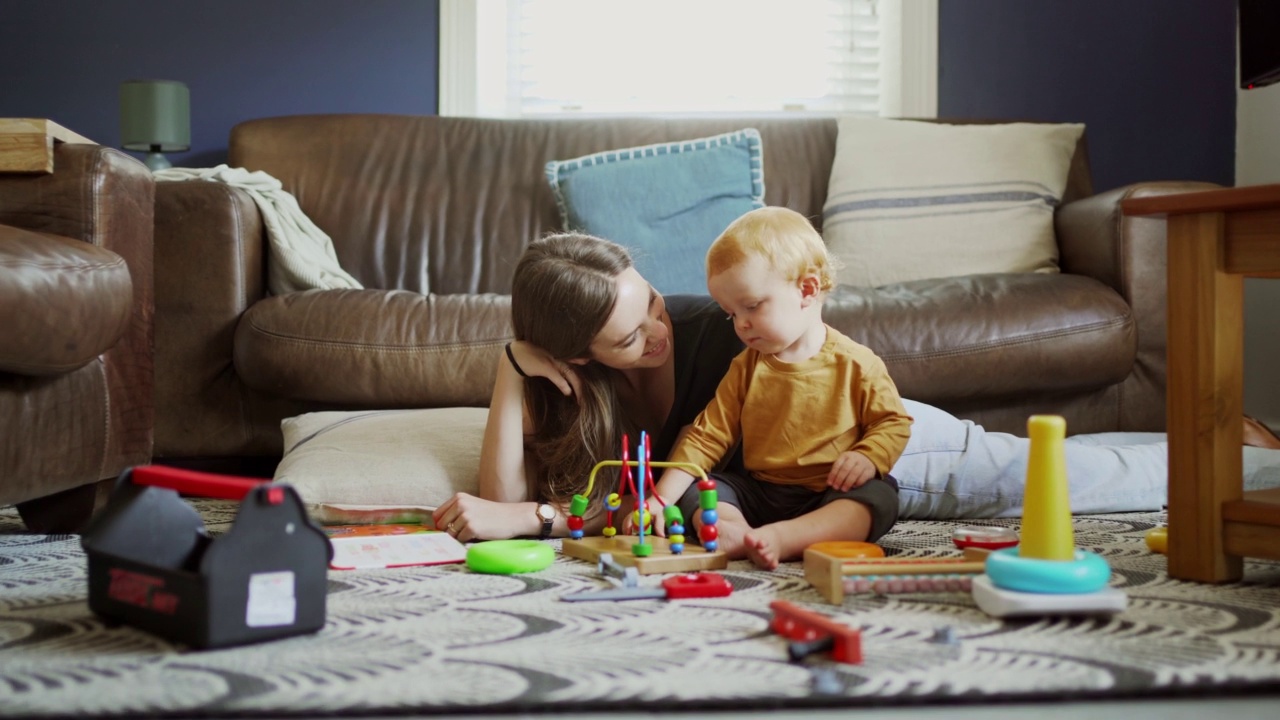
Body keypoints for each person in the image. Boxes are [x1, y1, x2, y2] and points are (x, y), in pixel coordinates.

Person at [432, 231, 1280, 546]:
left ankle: (1241, 456)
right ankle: (1218, 440)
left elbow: (522, 511)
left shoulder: (707, 326)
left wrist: (536, 520)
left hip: (873, 447)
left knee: (1059, 479)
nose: (658, 334)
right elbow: (510, 495)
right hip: (791, 489)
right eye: (627, 338)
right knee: (1057, 462)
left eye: (649, 303)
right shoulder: (578, 387)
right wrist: (513, 364)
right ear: (578, 359)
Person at [634, 206, 910, 569]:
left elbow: (893, 422)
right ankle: (735, 531)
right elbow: (707, 437)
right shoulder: (746, 367)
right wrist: (659, 499)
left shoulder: (858, 363)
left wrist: (868, 456)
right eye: (731, 314)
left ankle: (787, 538)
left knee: (878, 495)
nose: (741, 325)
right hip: (760, 492)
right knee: (703, 490)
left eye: (751, 306)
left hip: (830, 490)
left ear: (807, 290)